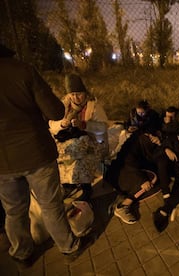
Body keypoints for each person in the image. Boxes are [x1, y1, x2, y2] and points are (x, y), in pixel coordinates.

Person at [0, 43, 88, 267]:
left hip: (3, 162)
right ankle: (69, 248)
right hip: (35, 151)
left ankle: (21, 253)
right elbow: (55, 112)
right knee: (50, 205)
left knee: (13, 210)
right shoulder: (23, 70)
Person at [49, 73, 109, 201]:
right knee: (58, 152)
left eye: (79, 94)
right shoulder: (63, 105)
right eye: (72, 94)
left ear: (85, 93)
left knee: (80, 156)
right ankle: (67, 184)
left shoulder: (93, 106)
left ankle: (86, 187)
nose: (75, 97)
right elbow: (51, 125)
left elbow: (103, 127)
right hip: (68, 140)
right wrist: (62, 124)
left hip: (93, 142)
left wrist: (84, 124)